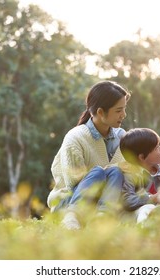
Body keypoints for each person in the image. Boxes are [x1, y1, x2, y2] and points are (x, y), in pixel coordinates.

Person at [47, 80, 131, 229]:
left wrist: (159, 164)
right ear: (100, 112)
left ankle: (102, 217)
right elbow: (73, 182)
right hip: (70, 201)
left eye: (124, 109)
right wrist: (111, 168)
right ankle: (72, 218)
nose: (123, 115)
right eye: (118, 110)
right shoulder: (76, 137)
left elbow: (135, 162)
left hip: (101, 204)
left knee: (116, 172)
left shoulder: (121, 136)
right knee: (99, 172)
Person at [119, 128, 160, 223]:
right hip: (138, 212)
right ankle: (145, 230)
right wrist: (153, 198)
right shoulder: (130, 175)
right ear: (142, 157)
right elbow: (127, 200)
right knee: (147, 208)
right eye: (156, 148)